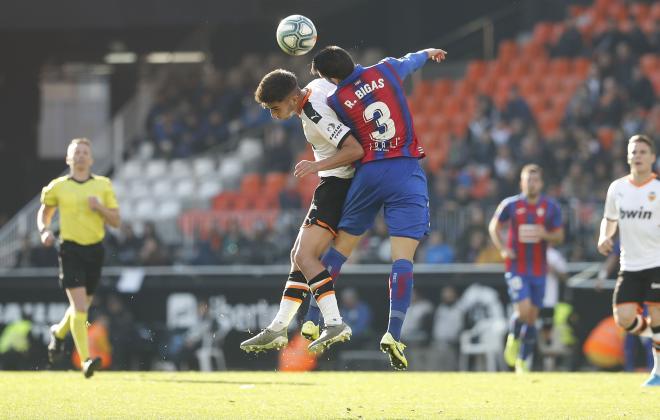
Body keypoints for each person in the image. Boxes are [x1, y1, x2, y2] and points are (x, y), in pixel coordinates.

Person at [305, 45, 447, 370]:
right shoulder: (384, 69)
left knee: (340, 251)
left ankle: (314, 318)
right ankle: (393, 333)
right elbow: (412, 60)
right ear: (351, 60)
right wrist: (429, 53)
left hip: (368, 173)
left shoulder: (336, 100)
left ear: (330, 77)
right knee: (403, 258)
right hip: (405, 170)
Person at [239, 70, 365, 354]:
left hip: (337, 185)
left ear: (293, 98)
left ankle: (334, 322)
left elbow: (354, 149)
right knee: (297, 256)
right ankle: (278, 327)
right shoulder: (314, 89)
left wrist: (315, 166)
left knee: (305, 256)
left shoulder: (313, 113)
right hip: (333, 183)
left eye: (275, 108)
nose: (273, 115)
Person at [37, 138, 120, 378]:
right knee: (80, 307)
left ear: (91, 159)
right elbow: (45, 211)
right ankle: (85, 360)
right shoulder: (58, 186)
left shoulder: (103, 185)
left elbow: (116, 220)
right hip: (70, 249)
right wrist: (44, 229)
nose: (81, 156)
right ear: (68, 159)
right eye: (77, 152)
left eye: (85, 152)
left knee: (81, 307)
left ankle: (59, 332)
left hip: (95, 250)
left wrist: (100, 208)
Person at [597, 134, 660, 387]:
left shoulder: (658, 189)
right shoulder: (617, 188)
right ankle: (657, 337)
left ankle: (657, 372)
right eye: (634, 152)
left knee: (657, 314)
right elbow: (609, 219)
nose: (638, 156)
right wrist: (604, 236)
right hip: (630, 264)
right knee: (622, 318)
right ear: (627, 157)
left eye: (643, 152)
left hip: (656, 262)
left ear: (653, 158)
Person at [488, 164, 564, 373]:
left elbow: (559, 236)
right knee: (523, 310)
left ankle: (523, 359)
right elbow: (494, 226)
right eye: (528, 179)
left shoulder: (551, 207)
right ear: (521, 182)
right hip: (516, 267)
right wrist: (503, 249)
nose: (532, 183)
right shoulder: (510, 205)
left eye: (535, 179)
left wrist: (544, 234)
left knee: (532, 316)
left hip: (539, 269)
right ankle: (513, 338)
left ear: (541, 183)